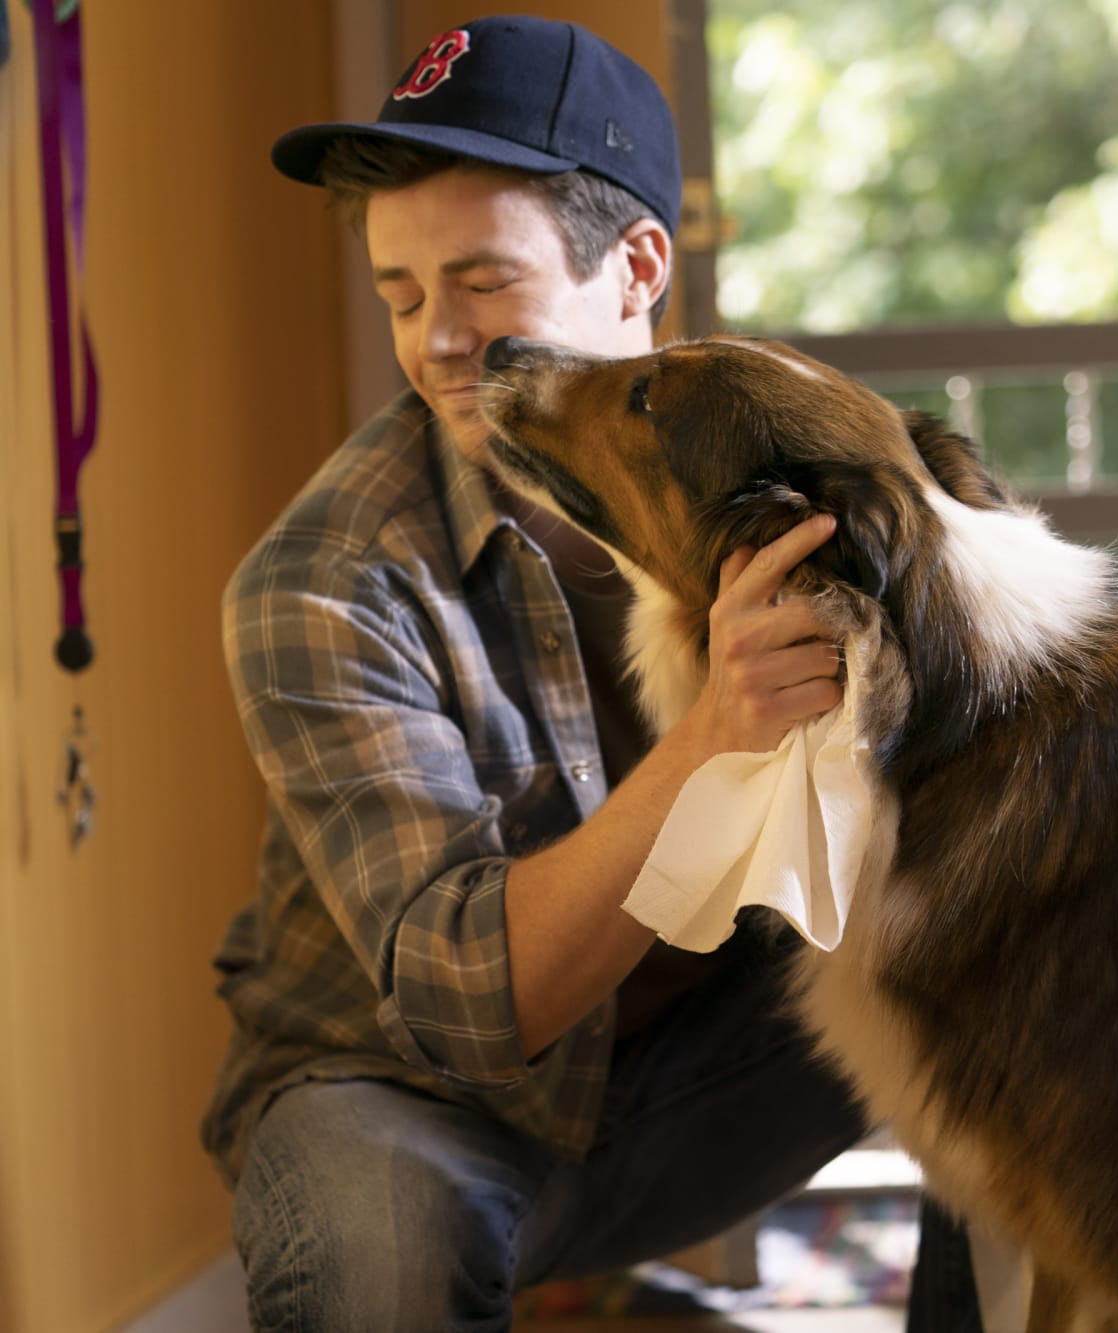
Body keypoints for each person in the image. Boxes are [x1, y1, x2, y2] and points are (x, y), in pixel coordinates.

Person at [202, 15, 979, 1330]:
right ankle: (596, 1293)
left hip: (695, 1066)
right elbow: (470, 1005)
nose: (437, 340)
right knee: (391, 1256)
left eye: (481, 282)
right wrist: (713, 733)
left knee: (1004, 954)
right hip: (398, 1093)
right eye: (400, 294)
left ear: (637, 270)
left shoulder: (784, 466)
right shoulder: (319, 583)